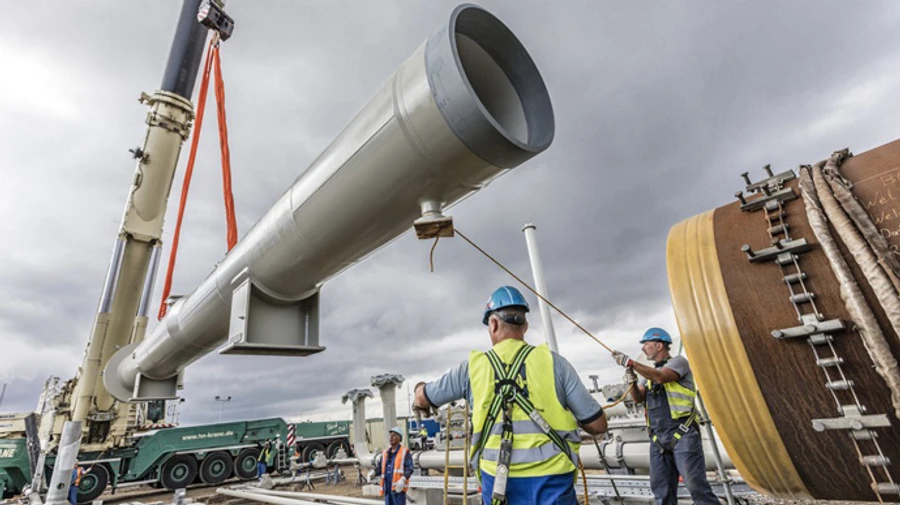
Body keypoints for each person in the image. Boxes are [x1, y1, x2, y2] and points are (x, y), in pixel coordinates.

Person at [413, 286, 608, 505]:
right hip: (552, 481)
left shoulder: (472, 369)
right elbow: (598, 425)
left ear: (493, 324)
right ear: (525, 325)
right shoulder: (555, 364)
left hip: (497, 481)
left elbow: (423, 398)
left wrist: (418, 388)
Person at [612, 327, 718, 505]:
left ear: (659, 345)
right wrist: (632, 381)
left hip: (682, 433)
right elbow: (639, 398)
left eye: (646, 344)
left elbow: (662, 377)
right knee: (661, 490)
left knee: (696, 487)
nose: (643, 348)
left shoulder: (679, 363)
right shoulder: (650, 374)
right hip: (658, 438)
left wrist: (631, 364)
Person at [373, 426, 413, 505]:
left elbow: (410, 468)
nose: (391, 437)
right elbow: (380, 467)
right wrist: (373, 472)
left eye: (394, 435)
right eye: (390, 435)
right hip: (388, 488)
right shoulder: (385, 453)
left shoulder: (404, 452)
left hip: (398, 488)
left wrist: (403, 479)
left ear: (399, 438)